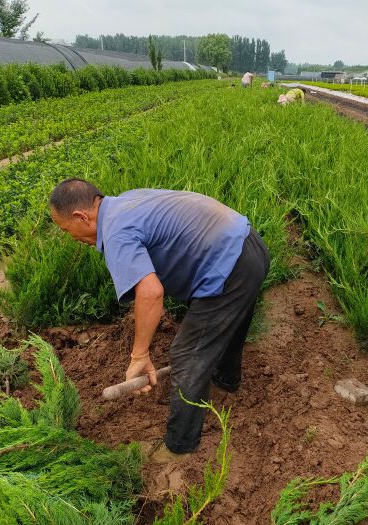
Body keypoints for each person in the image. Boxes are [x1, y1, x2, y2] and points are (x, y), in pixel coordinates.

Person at [49, 180, 270, 457]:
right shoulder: (125, 202)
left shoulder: (116, 232)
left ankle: (180, 448)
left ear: (81, 217)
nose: (72, 238)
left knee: (186, 354)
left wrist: (139, 355)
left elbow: (151, 293)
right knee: (226, 320)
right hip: (249, 244)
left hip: (230, 265)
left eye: (66, 230)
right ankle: (225, 379)